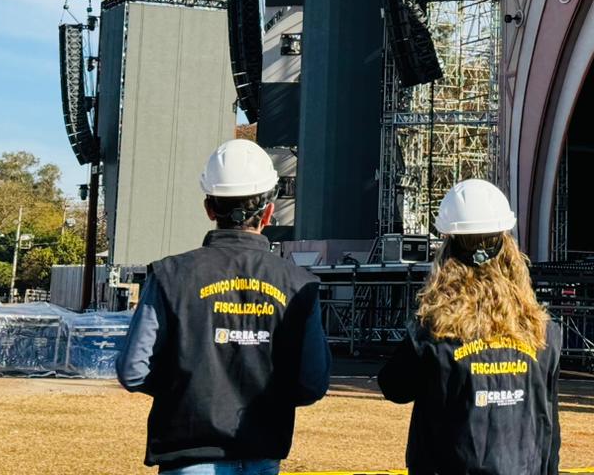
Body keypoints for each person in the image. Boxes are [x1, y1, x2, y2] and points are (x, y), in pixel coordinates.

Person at [116, 138, 330, 474]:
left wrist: (183, 388)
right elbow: (312, 383)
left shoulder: (171, 275)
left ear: (209, 208)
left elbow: (133, 371)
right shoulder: (299, 284)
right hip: (262, 449)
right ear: (270, 211)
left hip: (188, 450)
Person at [378, 178, 561, 475]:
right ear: (508, 246)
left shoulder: (434, 333)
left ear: (448, 251)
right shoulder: (544, 333)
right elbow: (550, 427)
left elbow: (393, 386)